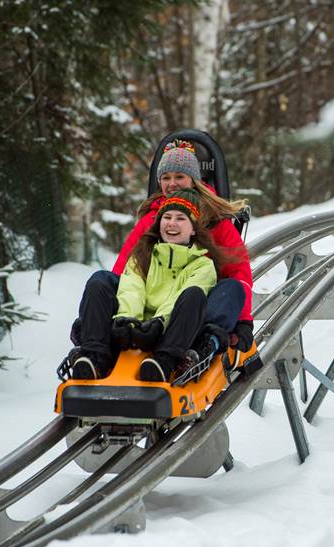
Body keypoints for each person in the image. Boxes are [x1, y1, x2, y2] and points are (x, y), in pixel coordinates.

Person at [72, 139, 255, 365]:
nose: (172, 184)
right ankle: (95, 345)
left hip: (190, 305)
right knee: (101, 280)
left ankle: (203, 342)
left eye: (180, 177)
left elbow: (239, 272)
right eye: (166, 178)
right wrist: (119, 314)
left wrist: (243, 321)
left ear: (194, 180)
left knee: (230, 288)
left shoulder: (215, 218)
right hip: (148, 299)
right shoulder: (152, 218)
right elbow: (127, 269)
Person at [71, 190, 231, 382]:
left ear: (193, 229)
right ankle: (95, 357)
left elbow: (178, 298)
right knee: (98, 282)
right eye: (167, 217)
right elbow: (132, 288)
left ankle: (165, 362)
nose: (172, 223)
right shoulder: (142, 255)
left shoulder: (203, 265)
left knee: (194, 295)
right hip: (135, 329)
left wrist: (158, 324)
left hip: (169, 330)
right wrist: (127, 320)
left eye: (180, 218)